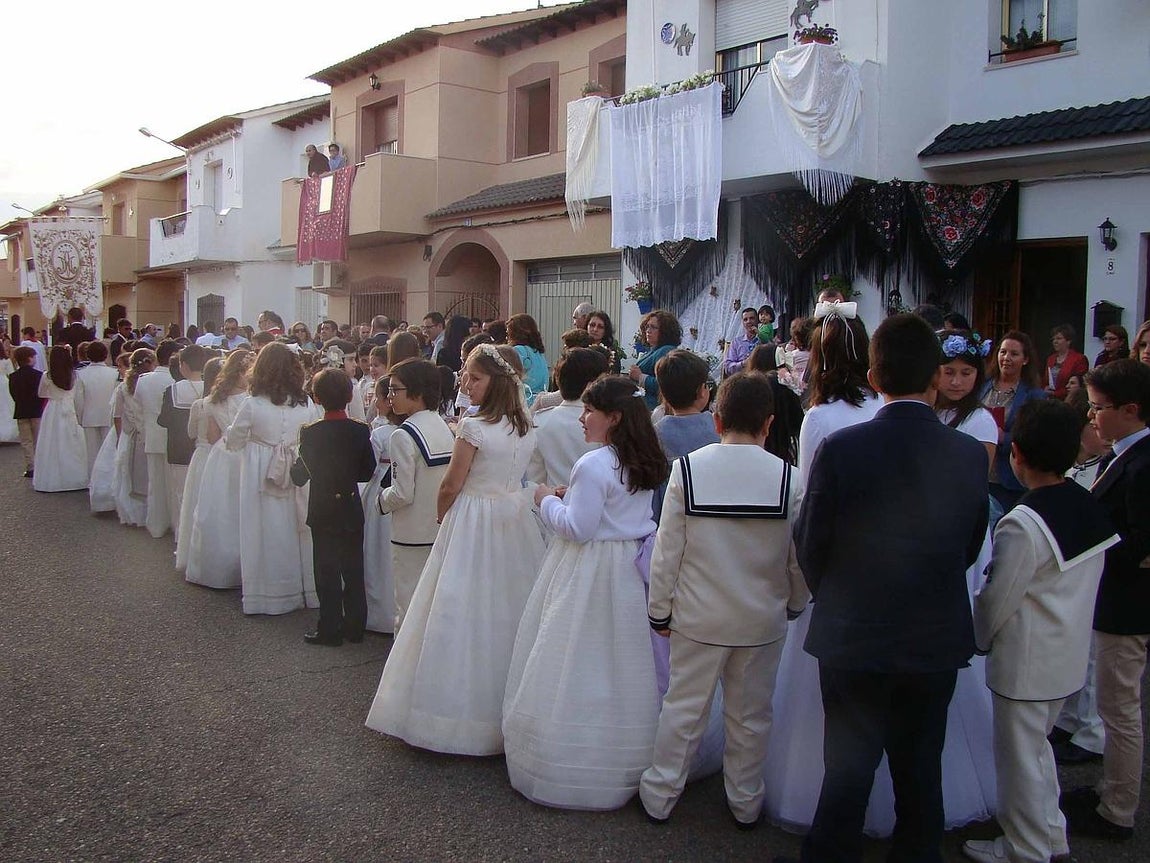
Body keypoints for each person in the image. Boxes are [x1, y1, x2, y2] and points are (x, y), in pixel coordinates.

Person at [790, 314, 989, 863]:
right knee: (921, 767)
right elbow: (970, 545)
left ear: (874, 377)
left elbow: (812, 542)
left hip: (855, 631)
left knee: (848, 768)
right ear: (934, 380)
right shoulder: (968, 454)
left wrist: (839, 595)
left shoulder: (843, 448)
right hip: (932, 633)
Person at [641, 372, 808, 826]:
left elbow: (666, 552)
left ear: (717, 420)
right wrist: (793, 603)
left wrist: (660, 611)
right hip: (761, 623)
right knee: (751, 717)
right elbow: (798, 560)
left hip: (698, 619)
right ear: (769, 424)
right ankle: (745, 801)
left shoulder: (688, 470)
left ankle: (660, 794)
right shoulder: (789, 480)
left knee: (683, 710)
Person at [365, 344, 545, 756]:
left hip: (474, 518)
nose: (465, 382)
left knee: (456, 607)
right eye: (465, 375)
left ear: (496, 382)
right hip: (513, 518)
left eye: (474, 377)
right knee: (507, 608)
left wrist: (443, 515)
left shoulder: (474, 427)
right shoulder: (525, 426)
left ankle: (450, 715)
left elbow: (451, 482)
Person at [962, 400, 1119, 863]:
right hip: (1066, 654)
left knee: (1019, 761)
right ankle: (1050, 834)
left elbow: (997, 598)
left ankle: (1025, 848)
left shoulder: (1022, 524)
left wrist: (979, 639)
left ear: (1017, 457)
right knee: (1038, 755)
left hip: (1025, 662)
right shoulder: (1083, 503)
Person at [503, 375, 669, 809]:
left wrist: (543, 498)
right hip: (632, 565)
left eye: (589, 410)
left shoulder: (593, 464)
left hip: (592, 569)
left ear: (613, 417)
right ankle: (638, 752)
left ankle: (574, 755)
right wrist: (568, 496)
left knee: (580, 653)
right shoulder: (643, 459)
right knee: (628, 659)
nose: (582, 417)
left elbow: (578, 528)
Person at [1061, 359, 1150, 842]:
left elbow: (1140, 542)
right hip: (1113, 600)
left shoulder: (1142, 463)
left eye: (1098, 408)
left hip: (1127, 607)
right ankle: (1108, 790)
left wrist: (1093, 549)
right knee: (1116, 705)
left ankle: (1119, 808)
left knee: (1120, 709)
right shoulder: (1123, 454)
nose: (1092, 418)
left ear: (1130, 410)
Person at [225, 343, 321, 615]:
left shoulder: (252, 405)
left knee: (263, 528)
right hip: (296, 469)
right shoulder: (307, 404)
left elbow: (233, 441)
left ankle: (267, 594)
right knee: (296, 526)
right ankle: (304, 588)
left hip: (260, 470)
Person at [290, 368, 377, 646]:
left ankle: (329, 627)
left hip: (323, 504)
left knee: (326, 569)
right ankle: (355, 625)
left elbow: (300, 474)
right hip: (350, 502)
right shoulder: (360, 430)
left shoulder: (311, 433)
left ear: (316, 397)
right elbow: (367, 471)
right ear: (350, 395)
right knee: (353, 567)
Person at [376, 359, 454, 631]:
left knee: (408, 607)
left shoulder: (402, 435)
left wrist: (380, 500)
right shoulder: (443, 426)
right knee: (433, 607)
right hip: (438, 532)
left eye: (395, 390)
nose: (389, 396)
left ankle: (403, 670)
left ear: (418, 393)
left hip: (410, 535)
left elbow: (402, 493)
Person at [185, 349, 252, 589]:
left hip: (222, 457)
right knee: (244, 509)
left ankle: (218, 567)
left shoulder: (213, 400)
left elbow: (213, 437)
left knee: (222, 510)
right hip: (245, 455)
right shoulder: (250, 400)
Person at [980, 331, 1047, 511]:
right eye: (1003, 352)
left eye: (1014, 354)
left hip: (1007, 480)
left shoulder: (1033, 395)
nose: (1006, 358)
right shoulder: (981, 386)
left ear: (1025, 360)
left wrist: (1005, 438)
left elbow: (1036, 436)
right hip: (978, 473)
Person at [652, 349, 719, 522]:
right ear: (701, 391)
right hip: (713, 517)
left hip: (669, 518)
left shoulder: (655, 433)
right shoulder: (718, 428)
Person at [526, 348, 607, 489]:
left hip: (553, 502)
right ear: (594, 385)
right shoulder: (604, 422)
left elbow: (536, 478)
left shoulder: (541, 420)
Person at [361, 376, 402, 633]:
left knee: (376, 551)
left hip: (381, 491)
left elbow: (368, 467)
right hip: (400, 495)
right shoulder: (405, 430)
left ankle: (378, 613)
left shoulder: (380, 434)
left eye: (378, 397)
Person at [158, 345, 208, 552]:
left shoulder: (173, 390)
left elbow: (164, 419)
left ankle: (182, 534)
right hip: (203, 449)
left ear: (184, 365)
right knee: (201, 493)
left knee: (180, 493)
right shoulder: (212, 387)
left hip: (178, 448)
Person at [173, 357, 220, 572]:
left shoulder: (201, 404)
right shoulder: (230, 404)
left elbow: (191, 432)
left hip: (202, 455)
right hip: (221, 457)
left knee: (197, 503)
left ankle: (196, 551)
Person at [134, 340, 179, 538]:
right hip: (175, 438)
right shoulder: (176, 381)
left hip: (152, 435)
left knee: (156, 482)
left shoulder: (144, 380)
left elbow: (137, 410)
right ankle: (176, 522)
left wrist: (143, 432)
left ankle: (157, 523)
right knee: (174, 484)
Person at [33, 345, 88, 492]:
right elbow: (78, 396)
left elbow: (41, 393)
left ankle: (52, 477)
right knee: (73, 442)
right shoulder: (75, 375)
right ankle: (77, 476)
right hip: (70, 407)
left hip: (53, 410)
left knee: (51, 442)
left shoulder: (47, 375)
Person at [112, 349, 154, 527]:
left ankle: (133, 512)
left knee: (129, 473)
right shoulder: (151, 384)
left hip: (131, 434)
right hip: (149, 432)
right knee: (150, 474)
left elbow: (117, 415)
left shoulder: (123, 387)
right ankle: (150, 511)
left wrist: (119, 435)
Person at [73, 341, 120, 477]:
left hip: (89, 415)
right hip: (109, 415)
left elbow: (78, 400)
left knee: (92, 452)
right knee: (109, 451)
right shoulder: (114, 373)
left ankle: (93, 480)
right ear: (106, 355)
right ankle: (109, 479)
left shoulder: (81, 374)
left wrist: (80, 417)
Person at [629, 310, 682, 411]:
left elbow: (666, 384)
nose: (648, 330)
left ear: (665, 331)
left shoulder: (666, 350)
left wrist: (640, 377)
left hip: (654, 409)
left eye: (653, 327)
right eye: (647, 326)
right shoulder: (652, 351)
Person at [9, 346, 44, 478]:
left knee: (26, 441)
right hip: (36, 411)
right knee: (37, 439)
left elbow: (14, 394)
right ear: (30, 358)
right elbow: (41, 394)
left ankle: (30, 466)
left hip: (21, 411)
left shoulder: (13, 376)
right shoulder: (38, 376)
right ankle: (39, 464)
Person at [506, 314, 548, 405]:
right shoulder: (539, 353)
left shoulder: (518, 350)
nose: (507, 337)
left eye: (508, 333)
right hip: (541, 402)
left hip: (524, 403)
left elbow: (511, 380)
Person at [1045, 324, 1090, 399]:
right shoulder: (1050, 359)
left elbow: (1078, 385)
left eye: (1059, 338)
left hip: (1069, 400)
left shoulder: (1079, 359)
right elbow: (1046, 381)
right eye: (1053, 339)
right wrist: (1045, 388)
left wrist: (1055, 393)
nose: (1055, 341)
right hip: (1050, 400)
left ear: (1068, 341)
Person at [722, 307, 761, 377]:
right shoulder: (736, 343)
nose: (748, 321)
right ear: (743, 323)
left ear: (758, 320)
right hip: (742, 381)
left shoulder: (764, 340)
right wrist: (743, 364)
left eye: (752, 318)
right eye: (745, 319)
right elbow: (727, 367)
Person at [586, 310, 622, 374]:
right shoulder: (579, 347)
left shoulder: (611, 353)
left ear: (606, 330)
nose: (595, 329)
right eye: (592, 325)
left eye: (600, 327)